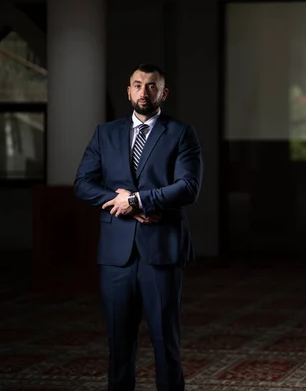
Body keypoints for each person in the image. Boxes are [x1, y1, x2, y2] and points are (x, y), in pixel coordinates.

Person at [74, 63, 203, 391]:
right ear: (128, 90)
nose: (144, 92)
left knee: (165, 341)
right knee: (118, 345)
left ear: (164, 93)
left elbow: (188, 187)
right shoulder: (106, 133)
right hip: (116, 255)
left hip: (161, 251)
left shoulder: (181, 133)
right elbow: (83, 184)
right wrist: (127, 204)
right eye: (137, 85)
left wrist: (140, 200)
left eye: (151, 86)